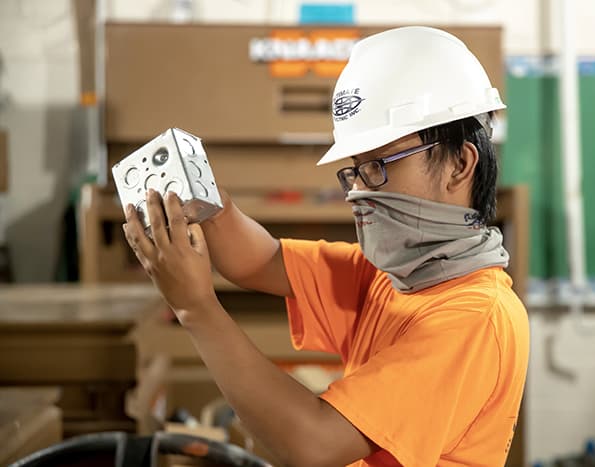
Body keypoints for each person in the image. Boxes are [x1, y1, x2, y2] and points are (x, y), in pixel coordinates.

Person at [123, 26, 529, 467]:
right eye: (355, 169)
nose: (358, 192)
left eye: (377, 165)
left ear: (459, 163)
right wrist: (208, 203)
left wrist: (196, 309)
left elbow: (314, 445)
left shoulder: (474, 319)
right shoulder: (393, 276)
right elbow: (261, 261)